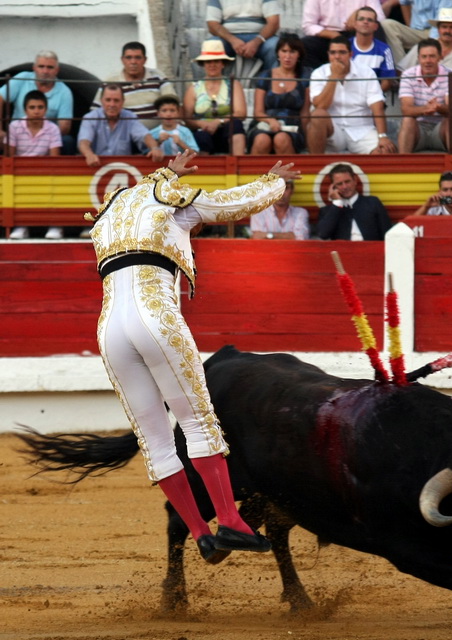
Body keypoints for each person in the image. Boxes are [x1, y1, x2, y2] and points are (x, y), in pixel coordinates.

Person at [85, 149, 300, 561]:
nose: (194, 230)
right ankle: (230, 522)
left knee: (156, 442)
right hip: (156, 317)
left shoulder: (111, 212)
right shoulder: (173, 200)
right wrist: (273, 181)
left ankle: (200, 533)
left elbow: (145, 197)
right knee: (198, 422)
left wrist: (163, 171)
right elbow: (232, 204)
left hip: (110, 330)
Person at [306, 36, 397, 155]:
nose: (337, 57)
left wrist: (382, 136)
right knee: (318, 114)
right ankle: (316, 168)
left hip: (362, 129)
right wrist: (334, 77)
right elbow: (320, 106)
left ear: (350, 54)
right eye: (333, 53)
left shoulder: (366, 72)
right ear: (328, 55)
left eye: (342, 52)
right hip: (333, 131)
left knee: (386, 151)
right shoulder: (319, 73)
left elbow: (377, 107)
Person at [7, 90, 63, 240]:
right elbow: (9, 156)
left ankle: (55, 225)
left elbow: (54, 159)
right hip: (20, 171)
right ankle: (21, 225)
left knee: (56, 182)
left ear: (45, 109)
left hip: (44, 170)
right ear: (25, 110)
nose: (36, 111)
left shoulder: (53, 128)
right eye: (32, 107)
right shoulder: (14, 126)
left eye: (40, 107)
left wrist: (41, 171)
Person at [91, 42, 178, 129]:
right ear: (122, 60)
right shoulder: (111, 81)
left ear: (145, 60)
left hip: (158, 135)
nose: (133, 62)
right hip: (125, 136)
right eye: (128, 58)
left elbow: (173, 104)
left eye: (138, 57)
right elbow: (96, 111)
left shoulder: (158, 76)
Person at [0, 50, 73, 154]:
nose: (45, 71)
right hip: (16, 133)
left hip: (47, 137)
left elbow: (65, 126)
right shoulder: (22, 78)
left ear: (57, 70)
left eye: (50, 67)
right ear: (34, 68)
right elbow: (0, 97)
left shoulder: (64, 92)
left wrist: (45, 138)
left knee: (67, 141)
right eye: (41, 66)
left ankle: (61, 169)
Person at [248, 34, 310, 154]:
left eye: (292, 52)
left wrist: (306, 137)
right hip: (264, 123)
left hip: (292, 125)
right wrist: (271, 121)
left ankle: (285, 173)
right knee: (262, 140)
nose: (287, 56)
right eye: (284, 51)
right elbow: (258, 112)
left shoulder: (305, 76)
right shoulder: (265, 76)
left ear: (299, 55)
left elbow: (305, 112)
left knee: (281, 139)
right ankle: (257, 173)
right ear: (278, 54)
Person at [182, 40, 247, 156]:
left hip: (227, 132)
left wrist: (218, 121)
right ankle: (202, 170)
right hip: (203, 132)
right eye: (208, 61)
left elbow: (241, 113)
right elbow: (187, 119)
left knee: (235, 125)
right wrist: (201, 124)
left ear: (223, 63)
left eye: (216, 61)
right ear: (203, 64)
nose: (212, 65)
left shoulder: (233, 85)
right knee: (201, 136)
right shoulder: (193, 88)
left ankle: (238, 164)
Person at [397, 38, 452, 153]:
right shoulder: (408, 75)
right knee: (407, 120)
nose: (428, 61)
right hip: (417, 130)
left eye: (432, 56)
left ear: (440, 57)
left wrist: (438, 107)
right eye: (424, 56)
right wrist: (426, 109)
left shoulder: (450, 74)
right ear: (418, 58)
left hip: (440, 129)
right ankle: (403, 166)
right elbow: (406, 110)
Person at [77, 84, 164, 167]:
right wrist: (89, 155)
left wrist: (155, 148)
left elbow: (144, 135)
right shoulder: (90, 117)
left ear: (123, 102)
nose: (112, 105)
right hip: (95, 167)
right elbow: (83, 142)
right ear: (101, 101)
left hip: (124, 168)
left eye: (116, 100)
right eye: (108, 100)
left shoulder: (129, 117)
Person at [301, 0, 387, 70]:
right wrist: (333, 35)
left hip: (355, 33)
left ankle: (380, 75)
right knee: (305, 44)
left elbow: (379, 17)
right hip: (327, 36)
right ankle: (318, 81)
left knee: (375, 28)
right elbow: (308, 25)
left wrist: (359, 13)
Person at [317, 163, 391, 240]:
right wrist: (337, 203)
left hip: (371, 250)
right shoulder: (328, 211)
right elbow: (323, 234)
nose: (344, 187)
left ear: (355, 180)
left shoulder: (372, 203)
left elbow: (387, 233)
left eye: (347, 181)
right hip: (342, 251)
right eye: (339, 184)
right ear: (333, 187)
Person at [399, 7, 452, 78]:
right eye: (444, 27)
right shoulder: (423, 47)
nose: (447, 31)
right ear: (438, 29)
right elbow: (401, 71)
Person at [206, 0, 280, 71]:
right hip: (228, 38)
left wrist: (256, 42)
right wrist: (233, 40)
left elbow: (273, 23)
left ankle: (269, 81)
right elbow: (212, 24)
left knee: (275, 45)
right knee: (212, 45)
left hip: (260, 38)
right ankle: (217, 82)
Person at [381, 0, 452, 67]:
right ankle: (402, 71)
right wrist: (409, 25)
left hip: (436, 32)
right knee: (387, 24)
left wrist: (430, 42)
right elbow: (404, 2)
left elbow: (442, 21)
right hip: (416, 30)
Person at [350, 6, 396, 92]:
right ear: (355, 24)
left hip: (373, 98)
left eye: (370, 20)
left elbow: (387, 81)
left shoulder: (385, 49)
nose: (365, 22)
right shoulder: (345, 47)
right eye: (361, 19)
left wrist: (373, 96)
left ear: (376, 26)